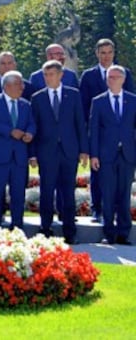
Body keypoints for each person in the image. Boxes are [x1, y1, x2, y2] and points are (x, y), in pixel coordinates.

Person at [29, 60, 88, 244]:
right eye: (45, 75)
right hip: (47, 152)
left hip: (69, 151)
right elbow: (34, 127)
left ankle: (69, 231)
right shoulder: (37, 98)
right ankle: (45, 228)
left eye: (51, 74)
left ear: (61, 75)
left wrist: (84, 150)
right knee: (46, 192)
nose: (48, 78)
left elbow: (80, 123)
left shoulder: (73, 95)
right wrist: (32, 153)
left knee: (68, 193)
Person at [79, 38, 135, 223]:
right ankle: (97, 210)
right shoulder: (89, 75)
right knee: (98, 177)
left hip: (122, 140)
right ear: (97, 53)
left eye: (109, 52)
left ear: (114, 53)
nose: (106, 56)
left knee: (122, 184)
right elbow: (84, 106)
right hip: (100, 135)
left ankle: (119, 218)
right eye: (102, 52)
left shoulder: (124, 73)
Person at [0, 71, 35, 230]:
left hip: (19, 157)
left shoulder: (26, 104)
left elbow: (32, 123)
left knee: (18, 194)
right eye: (19, 84)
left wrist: (30, 133)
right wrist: (10, 131)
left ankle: (17, 226)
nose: (23, 87)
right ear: (7, 86)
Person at [89, 65, 134, 245]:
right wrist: (94, 155)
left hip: (127, 155)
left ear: (123, 79)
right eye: (109, 77)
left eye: (115, 77)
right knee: (107, 194)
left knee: (124, 195)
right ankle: (109, 233)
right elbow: (93, 130)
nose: (112, 80)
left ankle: (124, 233)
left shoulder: (132, 100)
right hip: (106, 155)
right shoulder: (98, 101)